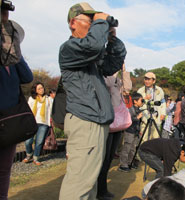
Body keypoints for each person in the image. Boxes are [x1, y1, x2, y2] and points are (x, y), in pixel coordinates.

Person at [58, 2, 126, 200]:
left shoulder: (92, 56)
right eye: (91, 20)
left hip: (97, 121)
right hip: (84, 121)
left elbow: (113, 64)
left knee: (90, 181)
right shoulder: (69, 49)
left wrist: (112, 37)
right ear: (73, 23)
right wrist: (101, 24)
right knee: (78, 184)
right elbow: (94, 45)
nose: (95, 25)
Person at [0, 2, 33, 199]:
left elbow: (27, 77)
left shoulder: (11, 63)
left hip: (8, 123)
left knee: (4, 171)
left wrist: (14, 51)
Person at [97, 64, 132, 200]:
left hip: (117, 122)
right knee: (103, 158)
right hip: (107, 119)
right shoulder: (104, 73)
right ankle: (100, 190)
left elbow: (128, 88)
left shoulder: (118, 78)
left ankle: (102, 189)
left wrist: (124, 70)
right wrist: (115, 69)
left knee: (110, 157)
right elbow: (108, 83)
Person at [22, 82, 52, 166]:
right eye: (39, 88)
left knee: (39, 141)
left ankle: (36, 158)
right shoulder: (32, 99)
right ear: (35, 90)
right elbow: (28, 110)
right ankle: (29, 154)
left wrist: (50, 122)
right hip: (32, 122)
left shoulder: (48, 99)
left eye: (42, 88)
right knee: (28, 141)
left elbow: (51, 111)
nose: (41, 90)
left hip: (43, 123)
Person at [118, 92, 144, 173]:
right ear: (135, 101)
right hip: (129, 131)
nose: (142, 102)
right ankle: (123, 165)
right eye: (141, 100)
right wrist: (137, 117)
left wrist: (140, 130)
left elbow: (139, 122)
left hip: (136, 132)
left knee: (133, 148)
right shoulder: (130, 109)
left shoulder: (139, 110)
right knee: (127, 148)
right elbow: (129, 120)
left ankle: (130, 162)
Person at [137, 72, 166, 142]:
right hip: (145, 118)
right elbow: (137, 105)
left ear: (154, 81)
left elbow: (163, 102)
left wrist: (163, 113)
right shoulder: (140, 91)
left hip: (156, 117)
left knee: (156, 139)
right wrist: (144, 99)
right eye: (145, 79)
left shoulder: (159, 90)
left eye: (149, 79)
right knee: (144, 139)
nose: (146, 81)